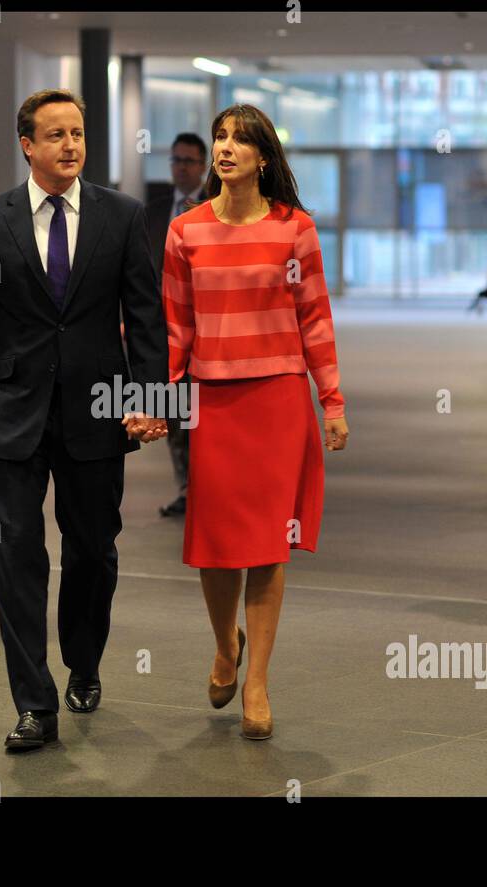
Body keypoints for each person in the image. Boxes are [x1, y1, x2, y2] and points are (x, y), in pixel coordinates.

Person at [0, 89, 168, 752]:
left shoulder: (121, 217)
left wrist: (150, 397)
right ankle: (34, 704)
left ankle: (85, 660)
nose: (71, 145)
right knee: (13, 557)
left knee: (93, 550)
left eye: (79, 132)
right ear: (28, 146)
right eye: (57, 134)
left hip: (97, 411)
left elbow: (146, 317)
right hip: (8, 414)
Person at [162, 103, 349, 741]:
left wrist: (332, 402)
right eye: (219, 137)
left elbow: (315, 318)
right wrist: (162, 402)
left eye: (239, 140)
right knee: (218, 548)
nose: (225, 148)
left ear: (263, 156)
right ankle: (224, 645)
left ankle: (260, 682)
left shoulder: (295, 228)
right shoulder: (184, 230)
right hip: (214, 402)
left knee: (270, 545)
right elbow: (175, 327)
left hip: (277, 398)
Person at [146, 133, 209, 518]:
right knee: (173, 414)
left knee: (202, 415)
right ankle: (187, 488)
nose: (181, 167)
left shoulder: (216, 209)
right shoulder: (153, 212)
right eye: (176, 160)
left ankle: (209, 488)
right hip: (161, 332)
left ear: (203, 166)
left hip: (204, 332)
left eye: (188, 161)